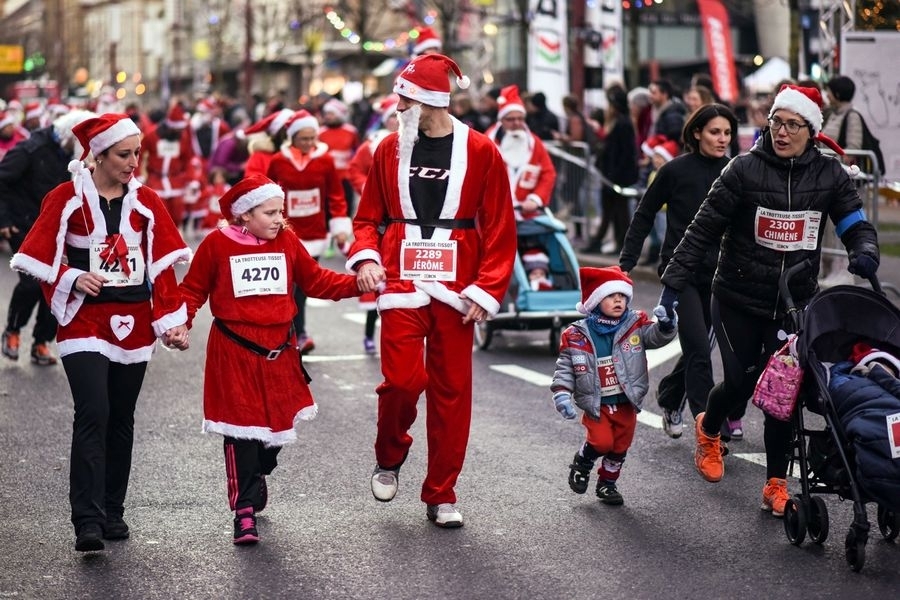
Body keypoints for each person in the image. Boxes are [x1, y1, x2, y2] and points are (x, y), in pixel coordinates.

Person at [658, 84, 880, 517]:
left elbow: (854, 220)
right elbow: (701, 231)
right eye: (776, 122)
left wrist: (864, 249)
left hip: (792, 302)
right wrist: (672, 286)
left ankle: (776, 484)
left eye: (792, 125)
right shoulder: (742, 170)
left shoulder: (829, 175)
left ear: (811, 130)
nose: (781, 132)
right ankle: (709, 426)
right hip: (737, 296)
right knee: (740, 384)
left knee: (784, 392)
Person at [347, 53, 517, 528]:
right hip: (400, 281)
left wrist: (487, 289)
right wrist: (366, 256)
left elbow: (500, 226)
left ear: (426, 100)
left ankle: (441, 492)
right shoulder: (388, 149)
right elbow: (367, 220)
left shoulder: (482, 151)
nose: (396, 106)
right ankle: (389, 453)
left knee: (452, 392)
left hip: (457, 286)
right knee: (402, 381)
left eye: (403, 97)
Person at [10, 113, 192, 551]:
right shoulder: (65, 198)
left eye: (137, 153)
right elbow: (37, 257)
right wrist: (73, 277)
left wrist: (172, 321)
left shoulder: (146, 200)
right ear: (98, 155)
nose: (134, 162)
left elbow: (162, 266)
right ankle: (86, 520)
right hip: (83, 322)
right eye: (124, 154)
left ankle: (113, 511)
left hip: (134, 324)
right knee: (94, 411)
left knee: (122, 418)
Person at [176, 173, 362, 545]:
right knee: (240, 430)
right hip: (234, 349)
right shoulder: (216, 245)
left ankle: (259, 471)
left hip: (280, 350)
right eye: (270, 212)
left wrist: (357, 283)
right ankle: (243, 513)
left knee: (273, 435)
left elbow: (317, 280)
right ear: (245, 215)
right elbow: (193, 289)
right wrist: (180, 323)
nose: (280, 219)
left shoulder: (287, 241)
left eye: (281, 211)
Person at [620, 104, 739, 440]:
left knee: (698, 349)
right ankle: (708, 431)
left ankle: (671, 396)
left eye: (727, 133)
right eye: (715, 132)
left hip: (721, 276)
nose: (722, 139)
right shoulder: (674, 171)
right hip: (680, 273)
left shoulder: (735, 171)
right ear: (697, 132)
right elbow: (644, 214)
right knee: (700, 351)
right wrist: (626, 263)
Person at [551, 266, 677, 505]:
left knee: (620, 446)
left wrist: (666, 325)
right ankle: (583, 462)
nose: (618, 300)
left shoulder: (634, 324)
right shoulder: (576, 335)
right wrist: (562, 394)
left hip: (625, 402)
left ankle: (607, 484)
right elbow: (565, 368)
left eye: (622, 296)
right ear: (596, 301)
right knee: (601, 442)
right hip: (597, 403)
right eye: (610, 295)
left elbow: (655, 337)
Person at [0, 109, 96, 366]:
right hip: (24, 224)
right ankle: (13, 329)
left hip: (59, 226)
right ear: (70, 136)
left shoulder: (75, 157)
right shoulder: (30, 149)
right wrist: (4, 219)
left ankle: (41, 341)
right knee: (32, 282)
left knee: (59, 283)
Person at [267, 109, 352, 354]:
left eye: (312, 138)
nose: (309, 143)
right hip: (285, 232)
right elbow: (268, 194)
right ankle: (291, 332)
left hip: (314, 233)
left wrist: (339, 226)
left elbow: (336, 194)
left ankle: (299, 333)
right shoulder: (278, 161)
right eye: (303, 138)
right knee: (288, 285)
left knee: (302, 287)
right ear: (292, 137)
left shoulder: (325, 161)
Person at [347, 94, 400, 354]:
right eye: (391, 116)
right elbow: (354, 169)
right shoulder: (372, 144)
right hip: (377, 215)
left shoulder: (417, 141)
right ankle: (370, 335)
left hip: (403, 219)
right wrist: (368, 187)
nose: (395, 120)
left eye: (398, 115)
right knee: (376, 275)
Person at [485, 85, 557, 220]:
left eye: (520, 118)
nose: (516, 123)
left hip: (527, 216)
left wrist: (536, 199)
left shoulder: (534, 143)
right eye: (510, 119)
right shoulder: (487, 143)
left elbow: (548, 173)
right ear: (501, 120)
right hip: (494, 216)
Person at [584, 85, 639, 255]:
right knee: (611, 210)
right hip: (611, 173)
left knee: (620, 211)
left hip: (617, 175)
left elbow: (624, 152)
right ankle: (606, 241)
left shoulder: (623, 123)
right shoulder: (618, 122)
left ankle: (619, 243)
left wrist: (614, 174)